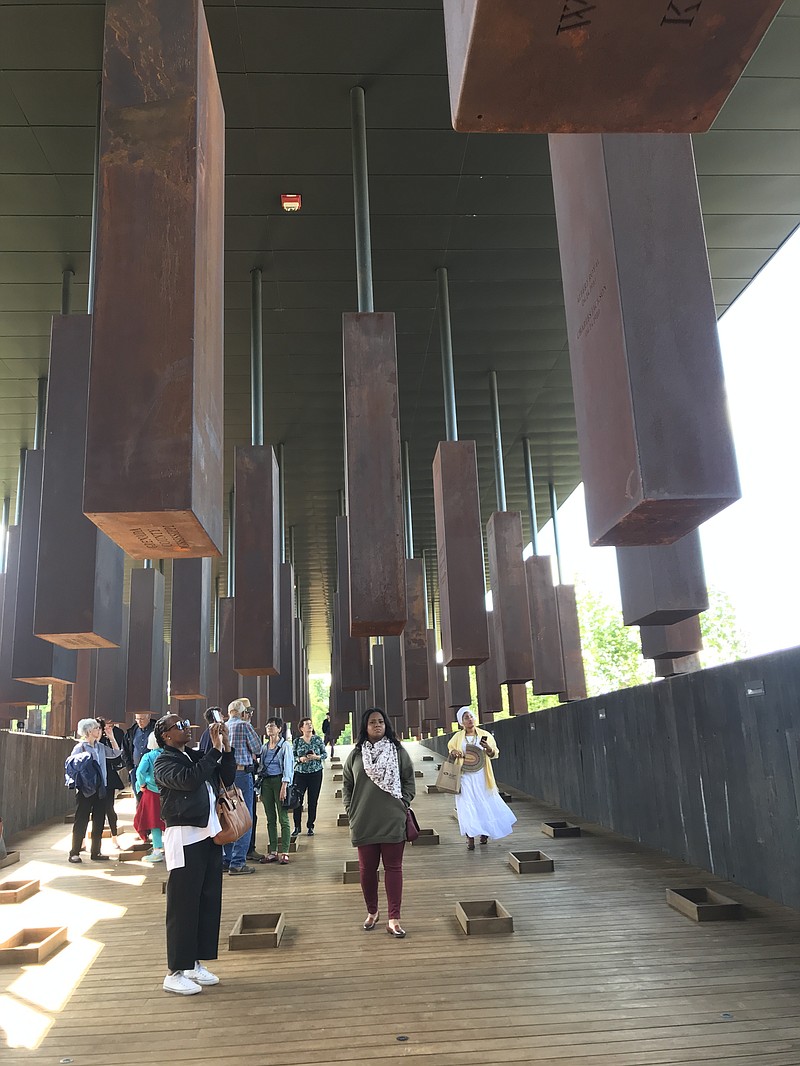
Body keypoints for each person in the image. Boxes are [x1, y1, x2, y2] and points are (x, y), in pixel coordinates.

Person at [153, 711, 235, 996]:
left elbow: (225, 775)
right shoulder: (163, 761)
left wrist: (225, 747)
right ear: (165, 735)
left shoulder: (193, 755)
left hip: (209, 834)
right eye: (181, 725)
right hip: (185, 838)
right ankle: (174, 970)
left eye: (188, 723)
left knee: (207, 900)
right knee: (183, 905)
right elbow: (189, 781)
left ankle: (194, 963)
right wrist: (211, 752)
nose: (188, 728)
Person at [343, 707, 415, 938]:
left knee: (394, 869)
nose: (377, 725)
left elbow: (408, 780)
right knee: (367, 871)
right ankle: (372, 912)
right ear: (365, 727)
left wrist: (403, 803)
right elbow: (347, 785)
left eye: (381, 722)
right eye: (372, 722)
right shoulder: (355, 755)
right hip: (363, 820)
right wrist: (351, 810)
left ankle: (394, 918)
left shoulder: (398, 752)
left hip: (392, 819)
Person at [447, 707, 516, 850]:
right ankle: (470, 836)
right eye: (466, 717)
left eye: (471, 716)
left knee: (484, 802)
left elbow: (494, 753)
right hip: (464, 775)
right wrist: (454, 752)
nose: (470, 719)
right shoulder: (457, 737)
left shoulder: (485, 735)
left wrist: (488, 748)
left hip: (482, 775)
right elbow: (451, 750)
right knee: (466, 804)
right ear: (461, 722)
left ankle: (485, 831)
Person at [64, 718, 124, 864]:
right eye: (97, 728)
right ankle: (74, 852)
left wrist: (111, 738)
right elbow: (71, 767)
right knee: (81, 820)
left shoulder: (101, 747)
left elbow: (116, 753)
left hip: (101, 788)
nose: (100, 730)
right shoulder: (80, 748)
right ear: (89, 731)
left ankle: (96, 851)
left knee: (99, 819)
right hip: (85, 790)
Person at [223, 698, 261, 875]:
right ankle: (238, 862)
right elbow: (257, 748)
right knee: (244, 817)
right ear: (243, 713)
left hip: (225, 776)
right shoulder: (244, 726)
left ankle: (227, 858)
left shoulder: (222, 726)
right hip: (242, 773)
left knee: (228, 814)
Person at [257, 716, 294, 864]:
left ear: (279, 729)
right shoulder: (264, 747)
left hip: (279, 781)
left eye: (272, 726)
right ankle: (273, 851)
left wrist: (284, 786)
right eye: (267, 726)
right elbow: (261, 767)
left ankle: (285, 851)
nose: (269, 728)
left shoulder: (285, 746)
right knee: (270, 818)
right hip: (266, 782)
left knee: (283, 817)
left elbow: (288, 767)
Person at [291, 717, 327, 839]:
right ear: (301, 728)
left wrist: (316, 757)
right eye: (306, 724)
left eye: (310, 724)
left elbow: (325, 754)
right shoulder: (296, 741)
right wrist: (300, 759)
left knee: (313, 800)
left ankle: (310, 825)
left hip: (315, 773)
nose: (309, 726)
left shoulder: (317, 739)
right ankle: (297, 826)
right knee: (297, 800)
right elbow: (293, 755)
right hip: (300, 773)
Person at [133, 732, 167, 862]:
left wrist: (142, 784)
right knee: (169, 822)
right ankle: (172, 849)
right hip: (168, 792)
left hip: (151, 793)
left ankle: (157, 850)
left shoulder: (148, 756)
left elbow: (140, 771)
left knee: (154, 822)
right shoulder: (168, 754)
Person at [98, 717, 126, 849]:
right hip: (93, 779)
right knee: (95, 811)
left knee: (109, 807)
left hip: (108, 776)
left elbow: (117, 757)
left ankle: (114, 837)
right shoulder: (88, 744)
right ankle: (88, 841)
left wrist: (111, 738)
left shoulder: (117, 734)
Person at [123, 712, 158, 797]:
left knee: (151, 797)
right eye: (137, 719)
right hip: (135, 768)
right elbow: (125, 750)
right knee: (138, 797)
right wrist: (130, 768)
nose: (139, 721)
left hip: (152, 769)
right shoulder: (132, 731)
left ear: (148, 717)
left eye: (142, 719)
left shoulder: (156, 730)